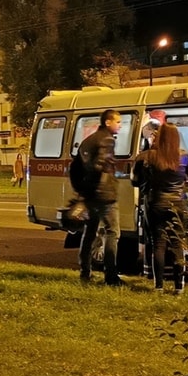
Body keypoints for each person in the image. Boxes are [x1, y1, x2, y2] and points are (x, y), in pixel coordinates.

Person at [132, 123, 188, 295]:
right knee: (177, 244)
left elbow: (135, 181)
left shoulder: (146, 156)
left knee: (158, 243)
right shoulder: (183, 156)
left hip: (155, 203)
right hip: (178, 204)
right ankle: (179, 286)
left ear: (159, 136)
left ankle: (159, 285)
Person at [69, 109, 124, 285]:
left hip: (89, 194)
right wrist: (101, 186)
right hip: (104, 194)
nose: (120, 125)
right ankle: (111, 275)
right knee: (112, 232)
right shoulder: (107, 140)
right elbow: (99, 166)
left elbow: (74, 168)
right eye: (118, 122)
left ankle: (85, 271)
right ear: (108, 122)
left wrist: (82, 190)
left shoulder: (88, 140)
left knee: (90, 231)